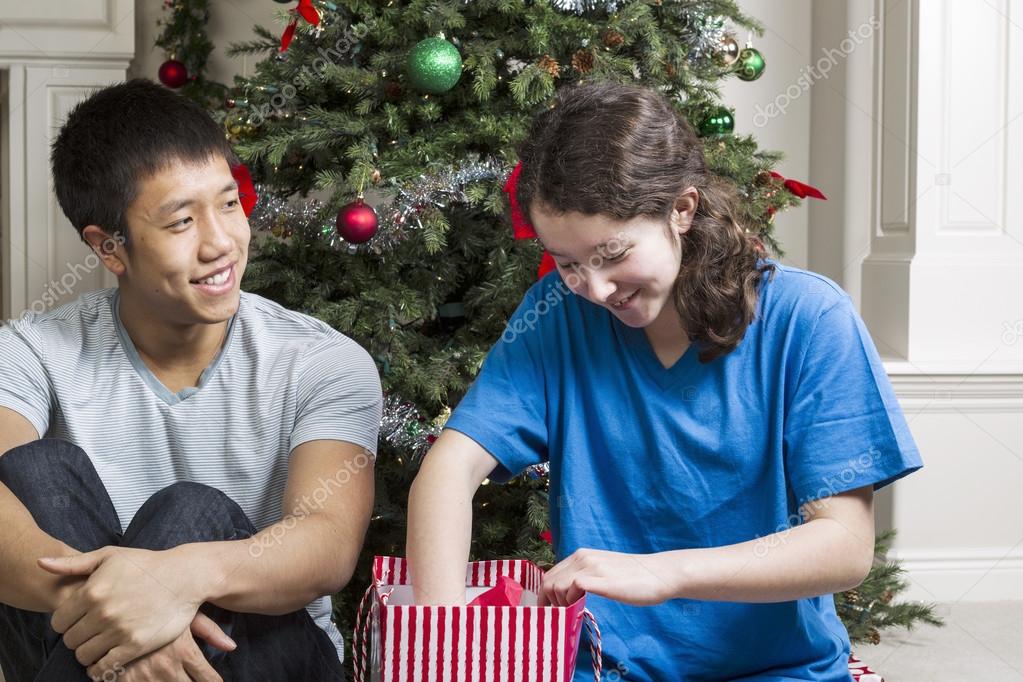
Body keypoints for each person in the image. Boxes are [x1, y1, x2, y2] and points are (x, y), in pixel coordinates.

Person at [405, 82, 923, 681]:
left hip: (776, 669)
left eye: (612, 253)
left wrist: (663, 571)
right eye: (568, 263)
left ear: (682, 208)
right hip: (601, 667)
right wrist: (440, 632)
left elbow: (845, 547)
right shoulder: (555, 313)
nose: (594, 291)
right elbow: (449, 469)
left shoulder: (809, 319)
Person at [0, 79, 381, 681]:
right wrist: (130, 614)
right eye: (181, 222)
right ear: (110, 249)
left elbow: (327, 545)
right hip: (94, 650)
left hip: (271, 660)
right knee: (37, 471)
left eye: (229, 204)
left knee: (191, 510)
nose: (222, 243)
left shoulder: (322, 361)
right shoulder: (30, 349)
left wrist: (175, 580)